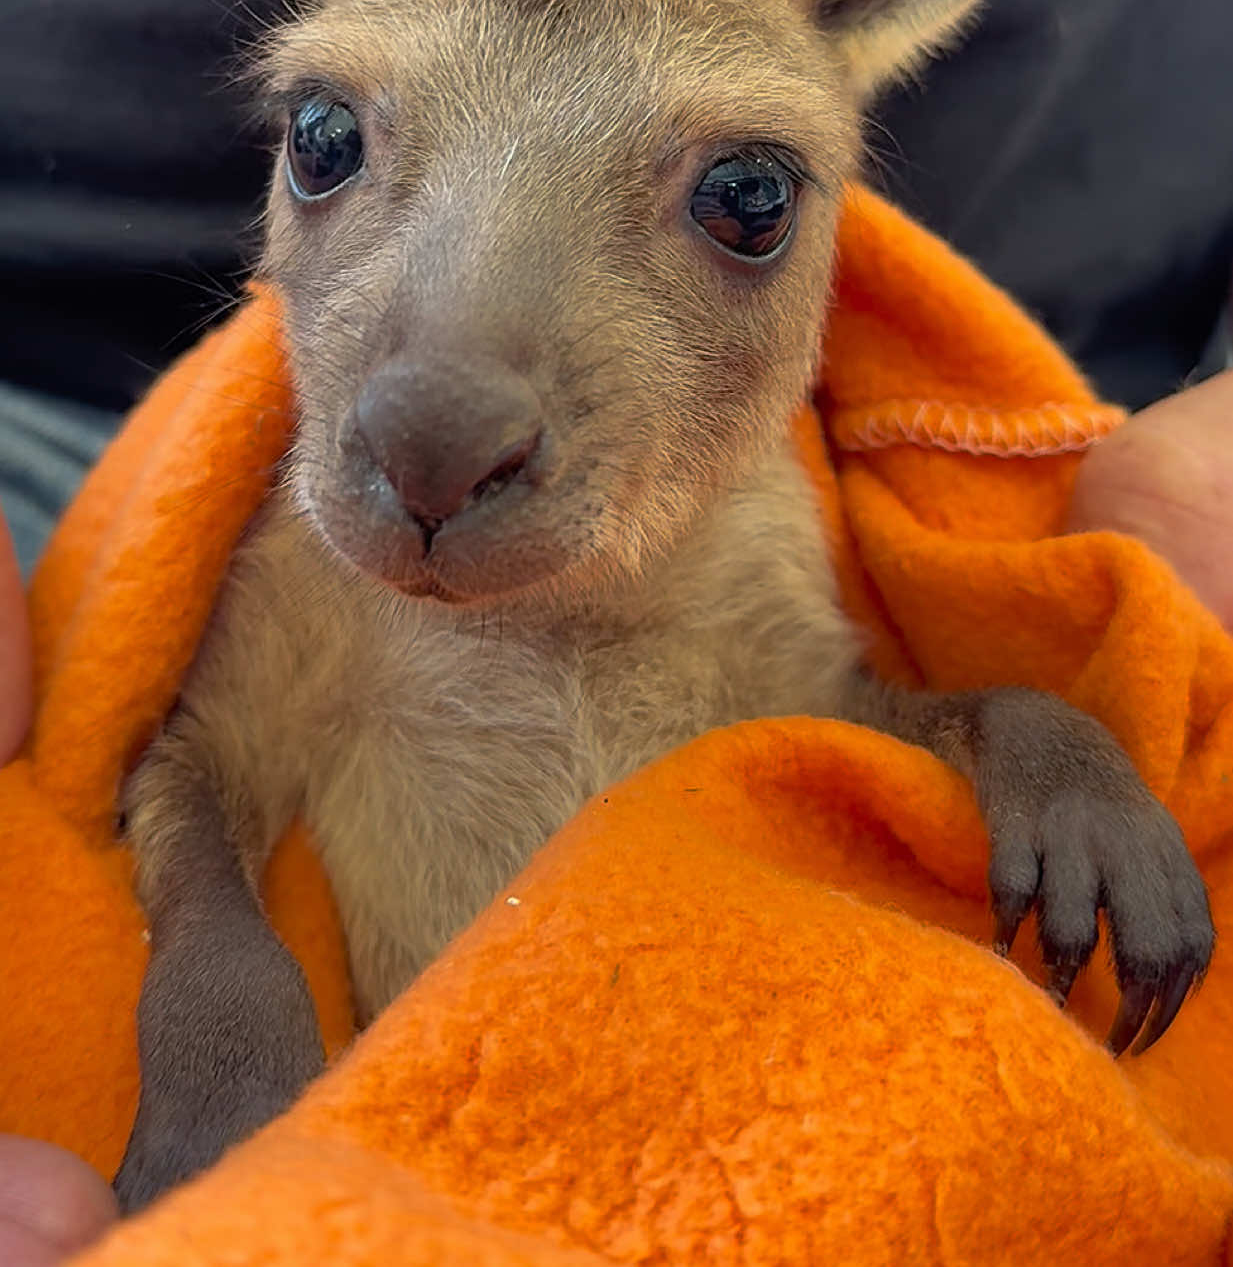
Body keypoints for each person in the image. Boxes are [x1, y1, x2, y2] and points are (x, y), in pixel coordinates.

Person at [1, 371, 1229, 1263]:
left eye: (740, 201)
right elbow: (189, 764)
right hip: (94, 412)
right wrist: (224, 1023)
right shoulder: (301, 539)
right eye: (327, 144)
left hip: (1081, 400)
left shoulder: (755, 497)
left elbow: (845, 727)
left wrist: (1042, 744)